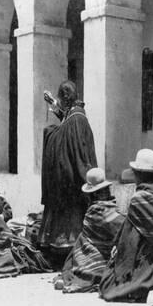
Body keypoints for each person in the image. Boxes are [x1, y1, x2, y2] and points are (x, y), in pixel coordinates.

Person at [98, 149, 153, 303]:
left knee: (107, 286)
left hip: (149, 270)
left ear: (139, 174)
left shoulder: (139, 200)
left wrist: (119, 264)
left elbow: (129, 242)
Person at [39, 80, 98, 268]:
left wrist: (85, 175)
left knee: (71, 220)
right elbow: (67, 122)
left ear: (65, 98)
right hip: (68, 178)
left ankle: (69, 254)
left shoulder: (77, 119)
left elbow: (77, 146)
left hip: (71, 179)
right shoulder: (75, 115)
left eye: (60, 98)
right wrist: (54, 105)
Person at [54, 168, 125, 293]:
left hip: (94, 257)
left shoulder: (94, 211)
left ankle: (82, 271)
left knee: (81, 240)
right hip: (104, 256)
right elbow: (123, 229)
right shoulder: (106, 211)